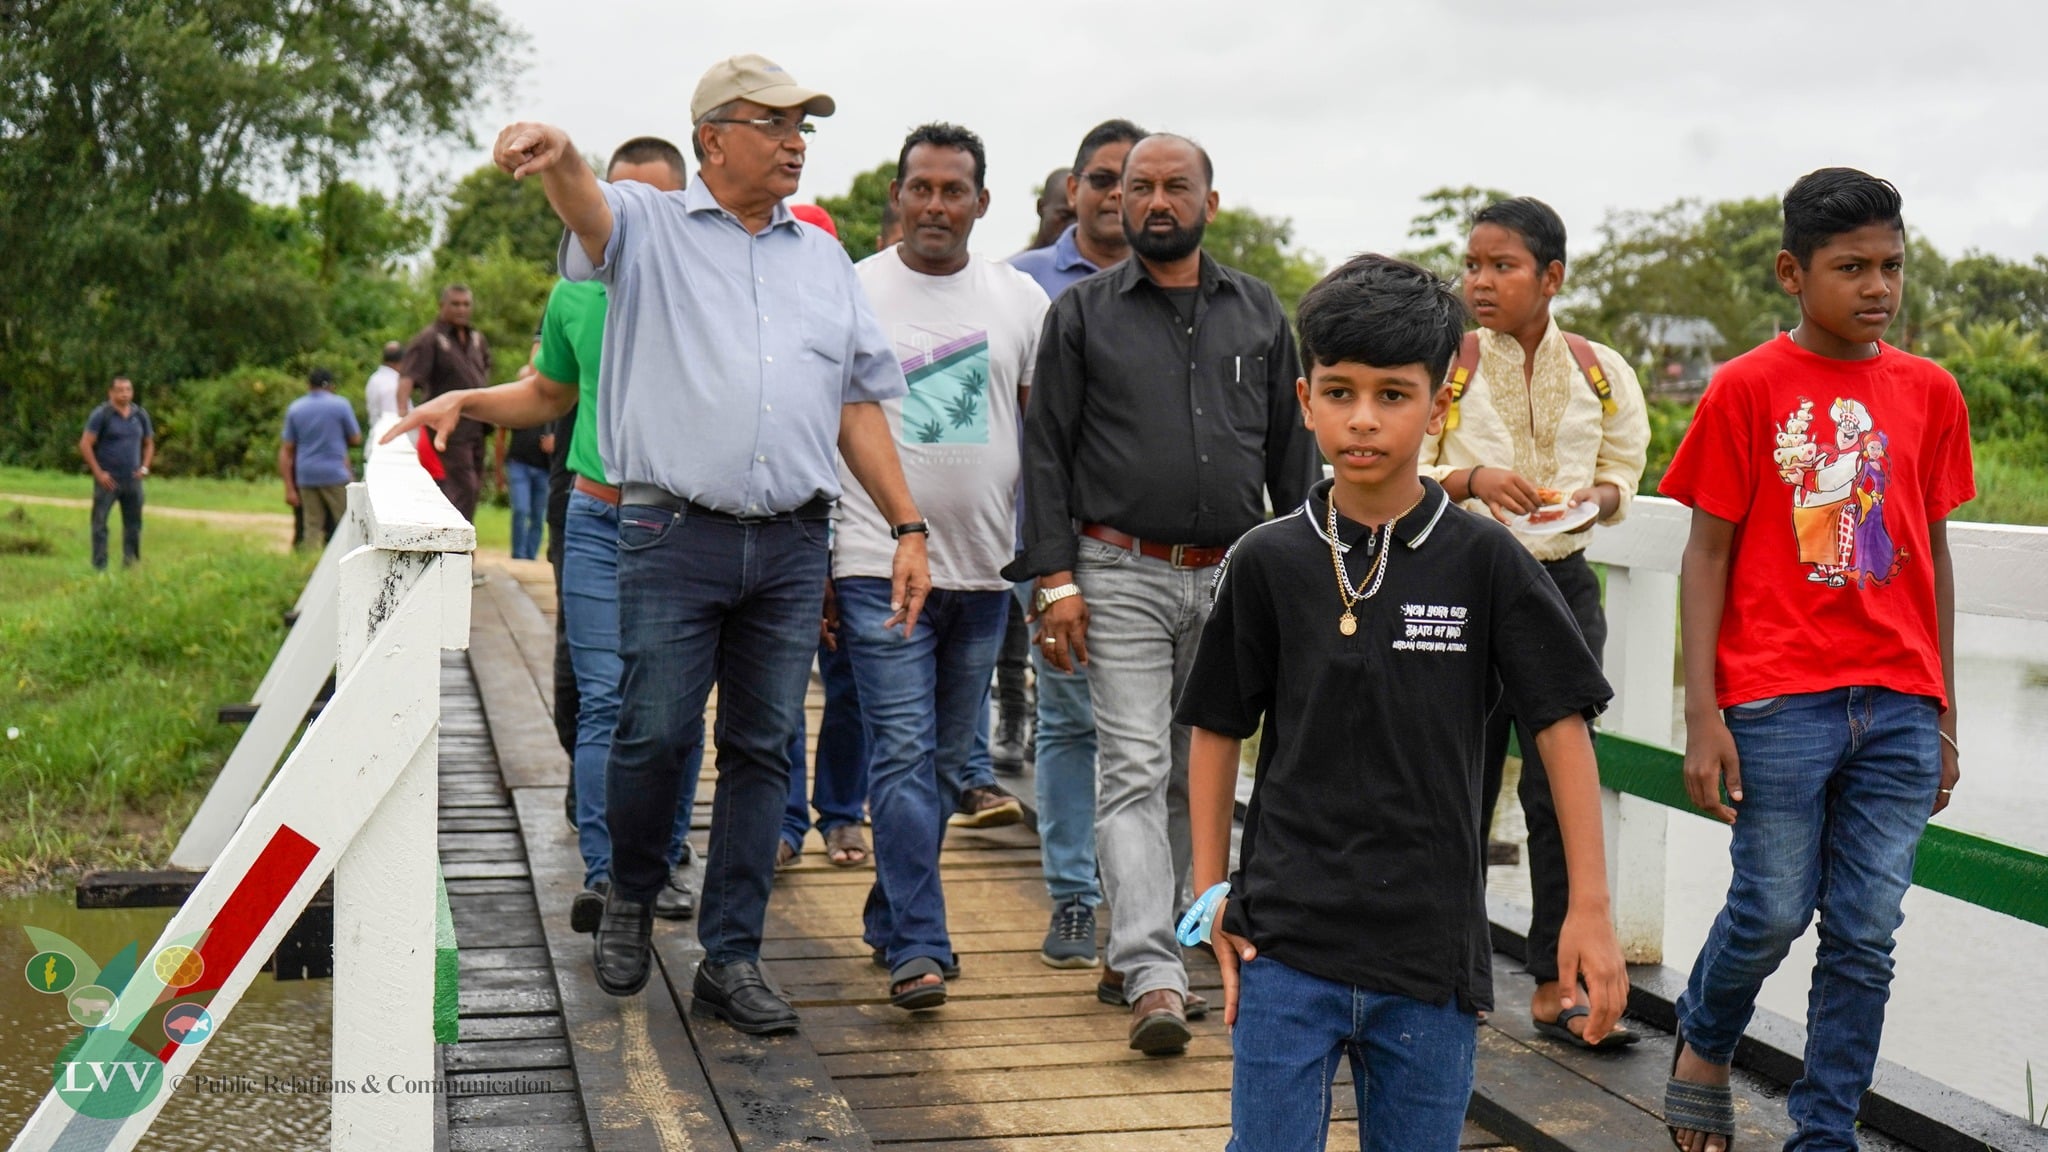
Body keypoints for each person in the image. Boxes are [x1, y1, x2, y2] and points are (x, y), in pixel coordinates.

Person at [493, 53, 931, 1035]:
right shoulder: (647, 230)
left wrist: (907, 525)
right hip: (669, 531)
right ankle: (633, 894)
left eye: (802, 126)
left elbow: (856, 403)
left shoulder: (820, 259)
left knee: (763, 748)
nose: (793, 142)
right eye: (772, 123)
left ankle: (730, 958)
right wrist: (559, 152)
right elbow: (584, 205)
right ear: (712, 139)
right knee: (651, 729)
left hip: (788, 543)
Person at [1179, 253, 1629, 1152]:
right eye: (1339, 392)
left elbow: (1560, 727)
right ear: (1304, 401)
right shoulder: (1269, 559)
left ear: (1435, 409)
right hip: (1284, 943)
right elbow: (1217, 724)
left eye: (1393, 394)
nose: (1363, 419)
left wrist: (1590, 910)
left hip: (1429, 952)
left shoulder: (1486, 560)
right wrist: (1210, 889)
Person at [1659, 169, 1973, 1152]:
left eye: (1889, 266)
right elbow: (1703, 553)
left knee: (1865, 933)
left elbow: (1932, 556)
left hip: (1896, 705)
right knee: (1768, 907)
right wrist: (1701, 713)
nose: (1876, 286)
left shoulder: (1928, 390)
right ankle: (1703, 1041)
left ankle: (1823, 1132)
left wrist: (1943, 713)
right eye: (1850, 268)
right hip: (1775, 698)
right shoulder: (1744, 388)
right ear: (1792, 272)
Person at [1007, 133, 1321, 1052]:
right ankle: (1152, 972)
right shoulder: (1081, 316)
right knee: (1134, 766)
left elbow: (1291, 459)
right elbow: (1046, 454)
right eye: (1136, 187)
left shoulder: (1260, 313)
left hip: (1231, 575)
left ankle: (1170, 937)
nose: (1152, 202)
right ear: (1110, 202)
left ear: (1208, 203)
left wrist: (1306, 577)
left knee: (1203, 774)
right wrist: (1054, 579)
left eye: (1173, 187)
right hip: (1117, 571)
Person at [384, 137, 701, 933]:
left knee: (669, 709)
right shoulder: (574, 295)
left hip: (688, 523)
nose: (625, 220)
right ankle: (609, 874)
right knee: (602, 701)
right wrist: (465, 403)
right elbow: (550, 393)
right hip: (598, 517)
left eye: (652, 205)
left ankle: (661, 859)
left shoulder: (709, 294)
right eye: (614, 197)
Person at [1417, 196, 1650, 1050]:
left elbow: (1625, 467)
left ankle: (1559, 982)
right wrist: (1471, 479)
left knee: (1561, 791)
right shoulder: (1445, 363)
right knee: (1460, 780)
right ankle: (1451, 971)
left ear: (1551, 276)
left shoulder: (1599, 368)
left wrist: (1598, 497)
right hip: (1461, 586)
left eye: (1502, 265)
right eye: (1472, 264)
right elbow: (1401, 460)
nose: (1480, 281)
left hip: (1562, 588)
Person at [835, 123, 1048, 1009]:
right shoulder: (851, 291)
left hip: (984, 572)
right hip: (871, 556)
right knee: (901, 749)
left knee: (931, 762)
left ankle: (891, 912)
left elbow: (1041, 437)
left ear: (981, 203)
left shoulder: (1019, 301)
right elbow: (824, 423)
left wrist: (1048, 567)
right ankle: (920, 945)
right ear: (898, 195)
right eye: (919, 187)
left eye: (952, 190)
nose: (934, 204)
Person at [1001, 118, 1145, 970]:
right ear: (1073, 192)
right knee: (1068, 721)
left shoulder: (1176, 286)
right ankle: (1073, 899)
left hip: (1154, 546)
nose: (1114, 194)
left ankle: (1152, 908)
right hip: (1056, 539)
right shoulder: (1022, 284)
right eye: (1100, 178)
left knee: (1153, 731)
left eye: (1131, 180)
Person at [400, 285, 492, 520]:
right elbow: (407, 379)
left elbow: (485, 372)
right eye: (455, 304)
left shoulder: (476, 339)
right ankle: (455, 548)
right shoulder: (429, 339)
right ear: (442, 306)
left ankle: (460, 542)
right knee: (463, 486)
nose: (461, 309)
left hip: (478, 422)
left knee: (473, 485)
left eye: (466, 304)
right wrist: (403, 416)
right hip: (447, 425)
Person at [279, 368, 363, 551]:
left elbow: (287, 448)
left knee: (312, 526)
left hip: (306, 474)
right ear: (331, 386)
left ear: (309, 385)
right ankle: (345, 558)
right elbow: (356, 438)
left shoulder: (296, 408)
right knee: (345, 522)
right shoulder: (341, 405)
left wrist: (289, 487)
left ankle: (310, 565)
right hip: (335, 473)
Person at [79, 376, 153, 571]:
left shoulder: (140, 415)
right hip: (108, 480)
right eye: (120, 390)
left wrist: (145, 467)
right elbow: (85, 444)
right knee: (100, 524)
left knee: (133, 525)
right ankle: (100, 566)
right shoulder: (101, 414)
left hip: (133, 480)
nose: (124, 394)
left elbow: (149, 443)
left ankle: (131, 564)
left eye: (128, 389)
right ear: (111, 392)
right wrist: (98, 473)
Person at [494, 420, 554, 560]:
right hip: (519, 464)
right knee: (521, 509)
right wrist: (499, 471)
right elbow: (501, 434)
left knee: (538, 516)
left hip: (544, 468)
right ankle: (519, 555)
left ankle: (531, 556)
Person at [1026, 166, 1074, 250]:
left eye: (1081, 219)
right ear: (1040, 207)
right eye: (1065, 216)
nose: (1073, 226)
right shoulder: (1016, 263)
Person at [365, 341, 405, 426]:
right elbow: (393, 420)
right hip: (393, 436)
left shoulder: (374, 379)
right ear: (401, 361)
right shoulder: (393, 384)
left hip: (377, 432)